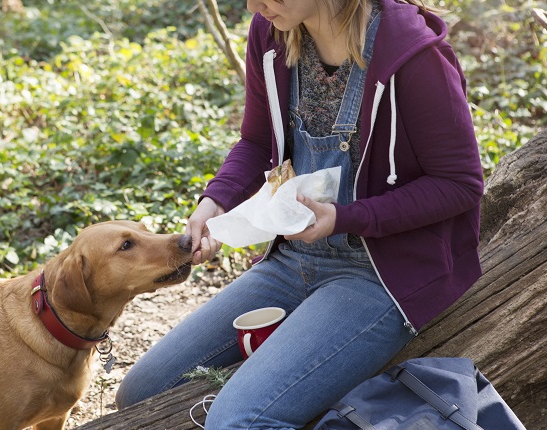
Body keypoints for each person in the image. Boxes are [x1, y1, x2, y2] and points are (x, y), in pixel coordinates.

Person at [116, 0, 484, 427]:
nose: (254, 5)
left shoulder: (416, 55)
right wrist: (214, 202)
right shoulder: (270, 33)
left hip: (376, 275)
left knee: (236, 422)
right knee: (140, 393)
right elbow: (255, 142)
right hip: (291, 261)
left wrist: (347, 218)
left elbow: (460, 184)